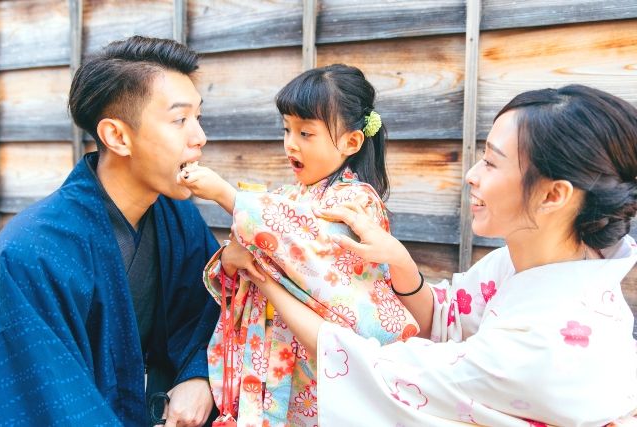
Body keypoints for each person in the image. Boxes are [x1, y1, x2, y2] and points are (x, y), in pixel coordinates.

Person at [242, 85, 637, 425]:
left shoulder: (546, 346)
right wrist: (400, 261)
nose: (472, 174)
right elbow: (448, 317)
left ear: (554, 195)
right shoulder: (536, 261)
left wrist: (265, 278)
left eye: (492, 162)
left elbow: (382, 374)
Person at [0, 36, 220, 426]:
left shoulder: (178, 218)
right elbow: (47, 398)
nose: (199, 137)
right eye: (180, 120)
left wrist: (199, 375)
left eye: (198, 118)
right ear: (117, 136)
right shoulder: (28, 254)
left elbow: (212, 314)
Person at [178, 64, 418, 425]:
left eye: (306, 133)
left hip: (315, 366)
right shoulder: (286, 196)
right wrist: (232, 259)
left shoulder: (358, 203)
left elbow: (308, 244)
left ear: (352, 142)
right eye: (287, 130)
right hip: (270, 354)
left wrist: (227, 196)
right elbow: (254, 249)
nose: (291, 143)